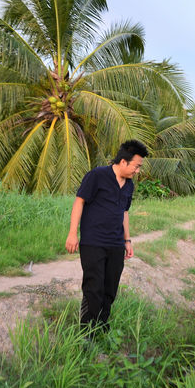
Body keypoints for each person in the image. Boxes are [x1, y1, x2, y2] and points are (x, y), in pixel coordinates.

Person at [65, 140, 148, 336]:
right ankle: (85, 334)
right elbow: (79, 202)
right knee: (94, 287)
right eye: (136, 166)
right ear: (123, 162)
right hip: (93, 242)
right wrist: (72, 233)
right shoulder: (97, 176)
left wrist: (127, 241)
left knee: (110, 288)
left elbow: (124, 213)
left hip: (116, 243)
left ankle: (101, 326)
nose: (137, 171)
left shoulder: (129, 186)